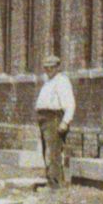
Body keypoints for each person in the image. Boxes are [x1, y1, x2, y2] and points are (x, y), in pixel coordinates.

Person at [32, 53, 75, 190]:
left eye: (52, 67)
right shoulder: (48, 82)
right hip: (44, 118)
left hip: (54, 118)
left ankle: (55, 185)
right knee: (47, 152)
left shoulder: (61, 81)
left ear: (57, 67)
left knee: (53, 152)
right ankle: (52, 181)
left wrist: (65, 121)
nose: (49, 70)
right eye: (46, 67)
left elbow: (70, 103)